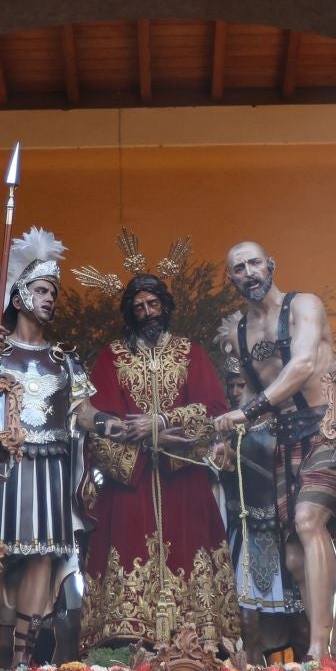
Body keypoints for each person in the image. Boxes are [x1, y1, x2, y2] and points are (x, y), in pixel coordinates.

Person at [0, 227, 95, 666]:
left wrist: (118, 426)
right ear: (17, 298)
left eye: (53, 291)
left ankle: (22, 663)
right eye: (40, 290)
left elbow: (84, 413)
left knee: (42, 556)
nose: (50, 298)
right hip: (1, 467)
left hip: (51, 467)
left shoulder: (65, 359)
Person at [75, 265, 234, 648]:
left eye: (153, 303)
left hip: (184, 478)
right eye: (139, 306)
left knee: (191, 548)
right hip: (132, 482)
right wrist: (132, 435)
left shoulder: (190, 352)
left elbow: (214, 410)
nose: (147, 312)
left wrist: (161, 425)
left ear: (165, 306)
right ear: (130, 313)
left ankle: (199, 647)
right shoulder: (112, 356)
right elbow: (96, 417)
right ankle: (125, 649)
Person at [212, 240, 336, 659]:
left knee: (308, 522)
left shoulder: (304, 305)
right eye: (238, 267)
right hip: (283, 439)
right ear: (230, 279)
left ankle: (318, 652)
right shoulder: (238, 333)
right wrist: (226, 440)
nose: (248, 272)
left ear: (271, 265)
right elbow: (250, 389)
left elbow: (302, 365)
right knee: (293, 557)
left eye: (254, 263)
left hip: (326, 427)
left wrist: (246, 412)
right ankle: (335, 648)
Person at [216, 359, 306, 659]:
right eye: (230, 385)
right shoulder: (226, 431)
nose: (234, 391)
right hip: (243, 532)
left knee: (300, 623)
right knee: (246, 622)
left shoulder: (282, 424)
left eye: (241, 385)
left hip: (281, 531)